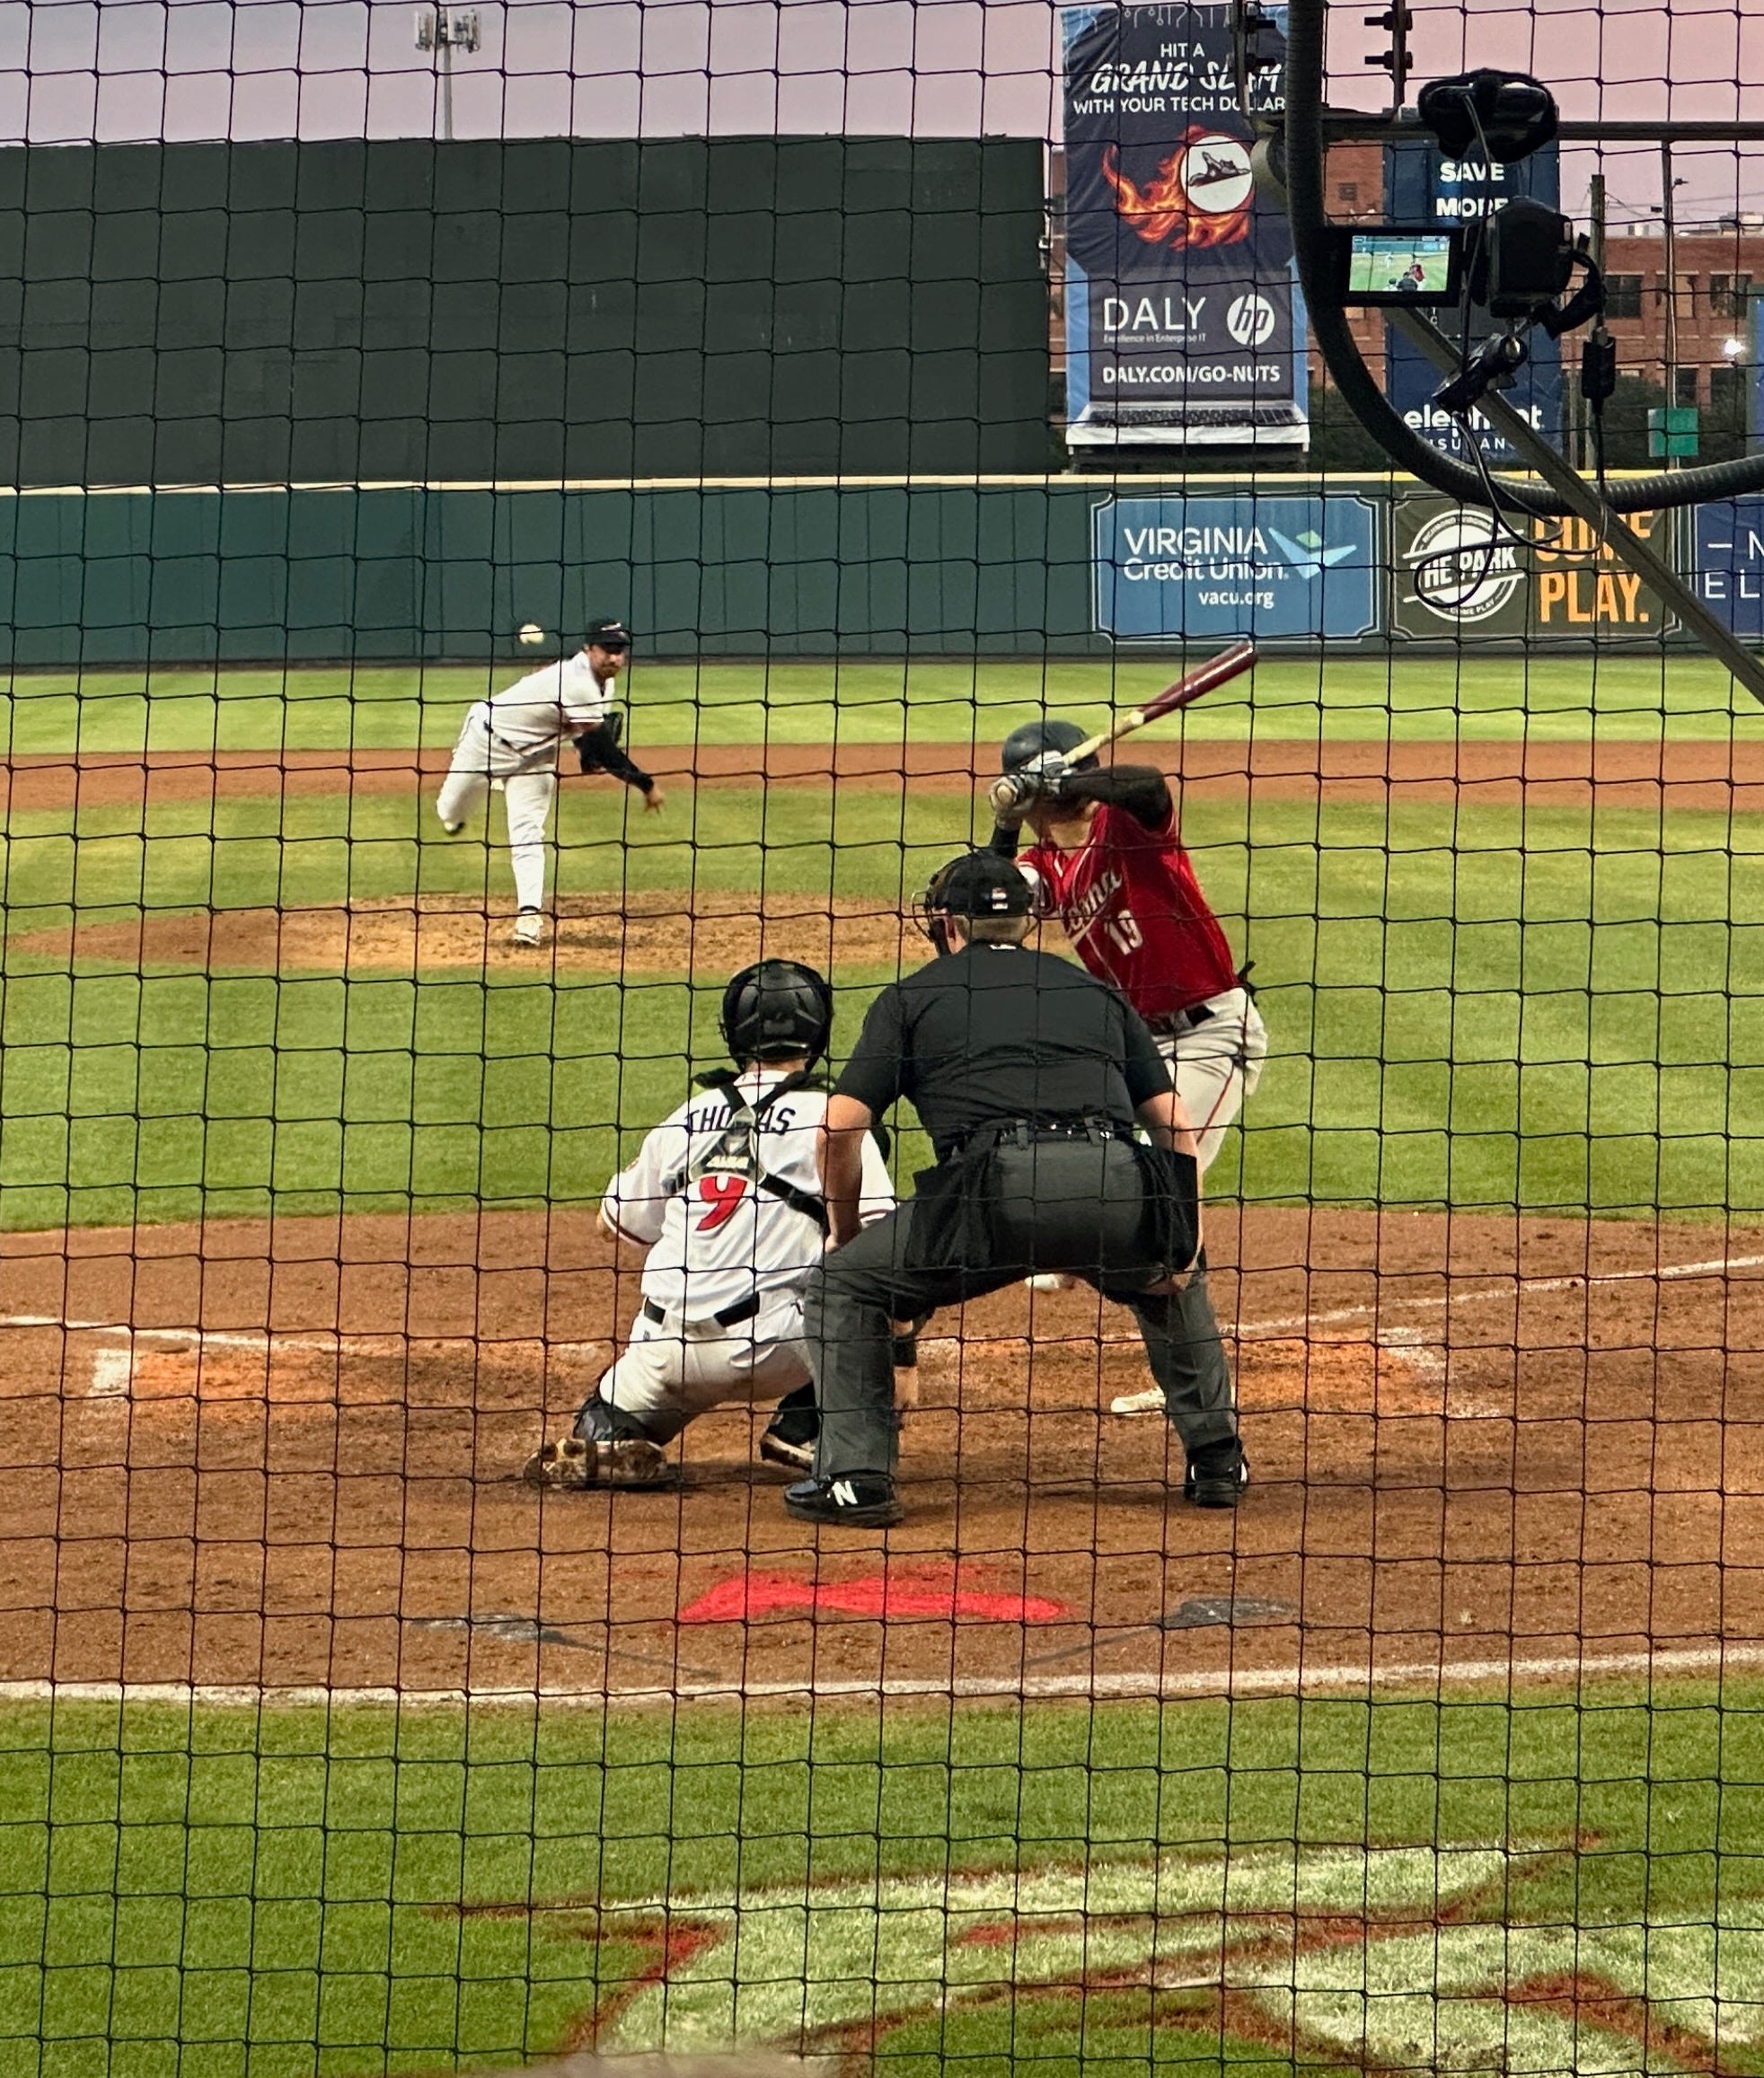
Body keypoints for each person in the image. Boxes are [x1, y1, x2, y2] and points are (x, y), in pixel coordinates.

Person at [787, 851, 1249, 1528]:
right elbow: (1174, 1126)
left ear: (947, 924)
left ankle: (856, 1480)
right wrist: (1184, 1241)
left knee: (842, 1287)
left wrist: (846, 1235)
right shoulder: (1094, 990)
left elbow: (838, 1130)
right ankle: (1218, 1464)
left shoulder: (910, 997)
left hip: (991, 1197)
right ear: (1029, 922)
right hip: (1114, 1184)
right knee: (1171, 1279)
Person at [525, 960, 891, 1490]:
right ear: (820, 1031)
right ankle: (808, 1425)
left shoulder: (686, 1117)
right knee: (889, 1274)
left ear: (733, 1033)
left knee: (607, 1418)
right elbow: (881, 1242)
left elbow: (615, 1223)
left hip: (667, 1351)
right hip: (780, 1347)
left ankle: (607, 1436)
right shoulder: (833, 1119)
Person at [989, 718, 1270, 1167]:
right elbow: (992, 903)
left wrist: (1066, 782)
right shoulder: (1044, 863)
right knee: (1098, 1167)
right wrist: (1004, 827)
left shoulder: (1125, 824)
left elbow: (1150, 787)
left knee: (1166, 1173)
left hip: (1209, 1032)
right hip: (1136, 1044)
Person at [434, 616, 663, 947]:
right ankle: (457, 813)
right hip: (487, 742)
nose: (614, 657)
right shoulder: (576, 681)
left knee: (528, 832)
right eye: (607, 649)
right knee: (449, 810)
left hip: (537, 756)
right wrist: (646, 784)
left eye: (619, 650)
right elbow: (603, 747)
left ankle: (529, 918)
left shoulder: (605, 685)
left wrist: (588, 756)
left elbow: (586, 741)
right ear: (588, 649)